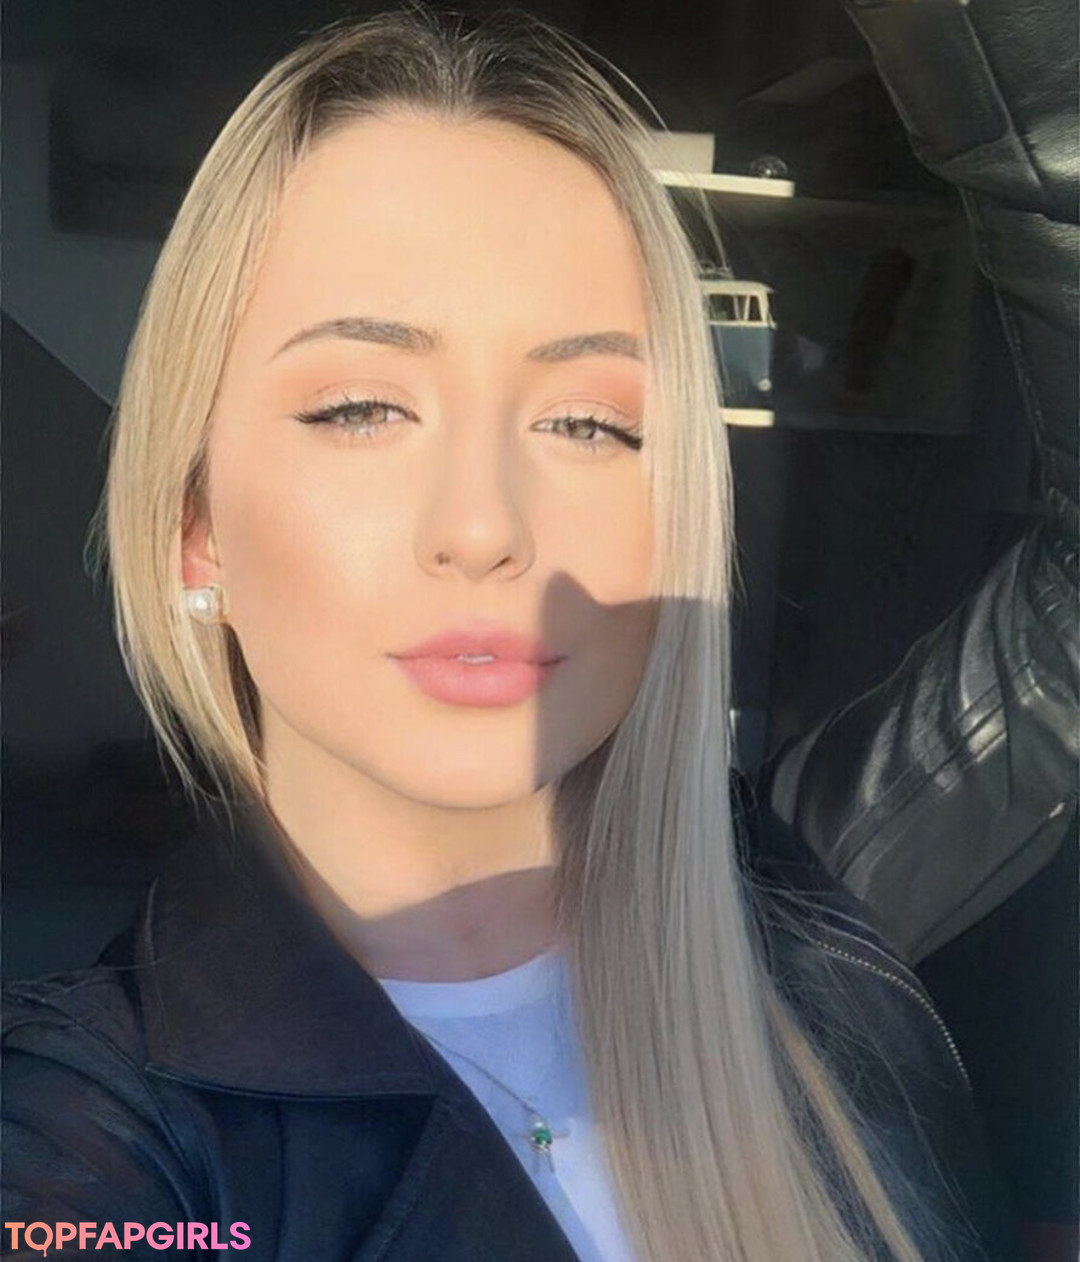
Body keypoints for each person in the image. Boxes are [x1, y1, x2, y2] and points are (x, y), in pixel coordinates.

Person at [2, 10, 1016, 1261]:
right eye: (362, 407)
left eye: (587, 423)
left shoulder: (813, 946)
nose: (483, 527)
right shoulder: (91, 1139)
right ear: (195, 531)